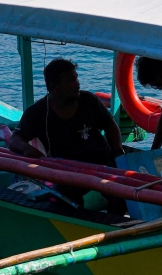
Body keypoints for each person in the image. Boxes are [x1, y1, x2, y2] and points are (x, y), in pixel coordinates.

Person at [14, 58, 127, 216]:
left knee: (122, 193)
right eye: (70, 80)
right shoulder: (37, 112)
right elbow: (15, 139)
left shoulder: (89, 101)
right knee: (67, 198)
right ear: (54, 86)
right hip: (67, 169)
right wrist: (26, 148)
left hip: (101, 161)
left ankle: (114, 226)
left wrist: (117, 151)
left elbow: (110, 126)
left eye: (76, 77)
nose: (77, 83)